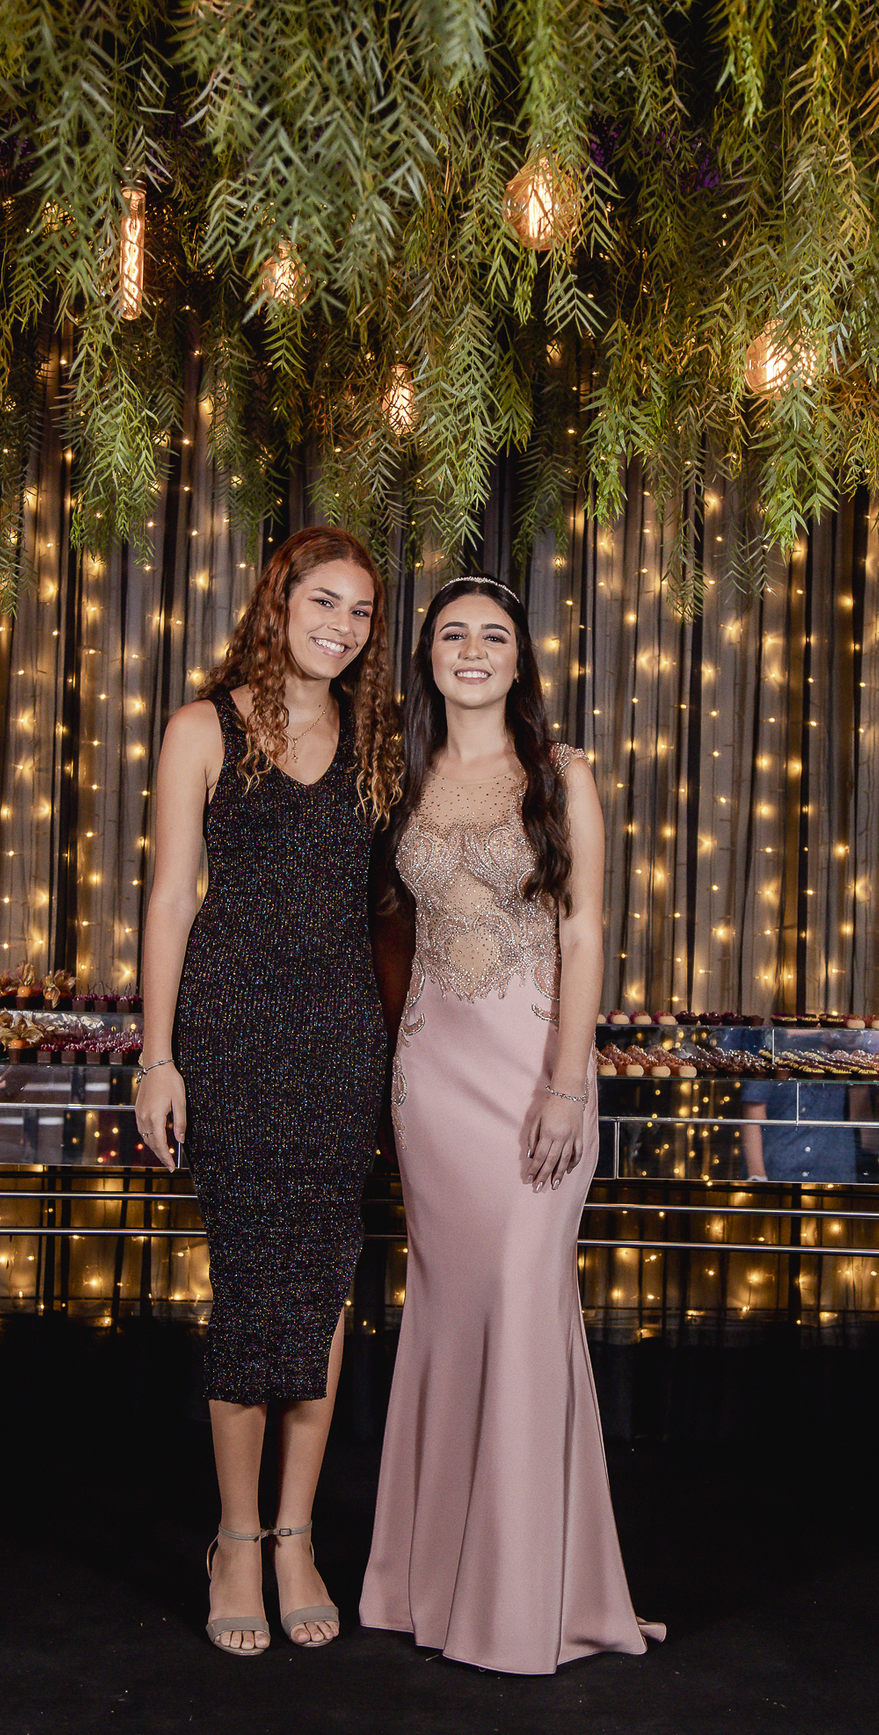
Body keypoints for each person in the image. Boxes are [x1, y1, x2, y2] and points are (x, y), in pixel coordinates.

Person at [359, 576, 663, 1674]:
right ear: (428, 658)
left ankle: (532, 1598)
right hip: (432, 1079)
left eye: (494, 634)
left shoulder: (563, 773)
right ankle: (427, 1584)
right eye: (453, 635)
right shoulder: (399, 775)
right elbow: (387, 927)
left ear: (521, 658)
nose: (473, 650)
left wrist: (568, 1083)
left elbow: (584, 932)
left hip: (538, 1071)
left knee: (528, 1308)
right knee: (448, 1319)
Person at [135, 526, 401, 1656]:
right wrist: (157, 1056)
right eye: (324, 602)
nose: (342, 627)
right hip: (231, 1031)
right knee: (250, 1281)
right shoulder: (204, 727)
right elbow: (169, 899)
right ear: (280, 600)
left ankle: (298, 1533)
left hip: (342, 1037)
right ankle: (236, 1539)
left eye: (361, 612)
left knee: (323, 1283)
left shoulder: (378, 740)